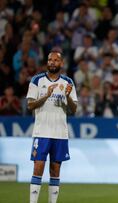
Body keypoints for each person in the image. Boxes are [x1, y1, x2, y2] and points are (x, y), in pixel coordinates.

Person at [26, 51, 77, 203]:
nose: (52, 62)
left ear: (61, 63)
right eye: (50, 60)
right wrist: (46, 96)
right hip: (42, 132)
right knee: (38, 167)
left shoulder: (68, 82)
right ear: (47, 62)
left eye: (56, 60)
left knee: (55, 171)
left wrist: (67, 97)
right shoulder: (37, 80)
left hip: (60, 133)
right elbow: (30, 105)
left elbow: (73, 110)